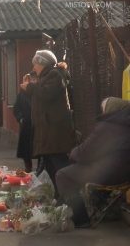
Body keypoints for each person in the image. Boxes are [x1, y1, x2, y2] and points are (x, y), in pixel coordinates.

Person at [55, 97, 130, 227]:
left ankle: (81, 219)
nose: (102, 111)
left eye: (103, 108)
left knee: (63, 175)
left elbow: (86, 152)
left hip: (108, 174)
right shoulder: (124, 125)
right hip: (124, 173)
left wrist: (73, 154)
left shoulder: (108, 127)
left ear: (111, 110)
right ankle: (102, 206)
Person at [21, 50, 76, 196]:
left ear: (42, 63)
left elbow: (46, 94)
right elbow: (41, 98)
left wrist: (30, 87)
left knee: (60, 168)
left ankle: (75, 207)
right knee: (53, 168)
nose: (33, 69)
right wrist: (29, 88)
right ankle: (61, 199)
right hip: (49, 131)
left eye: (35, 65)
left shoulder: (54, 75)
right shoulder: (48, 76)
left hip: (54, 132)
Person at [13, 72, 36, 172]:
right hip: (26, 124)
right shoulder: (21, 95)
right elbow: (16, 108)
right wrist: (20, 118)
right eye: (26, 80)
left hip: (36, 124)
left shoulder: (36, 93)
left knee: (37, 146)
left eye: (30, 80)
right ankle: (28, 167)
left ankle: (40, 168)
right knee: (26, 148)